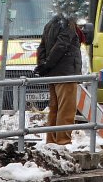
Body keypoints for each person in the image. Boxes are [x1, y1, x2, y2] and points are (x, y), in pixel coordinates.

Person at [33, 12, 83, 145]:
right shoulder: (68, 25)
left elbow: (42, 46)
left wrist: (43, 65)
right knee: (66, 110)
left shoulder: (50, 24)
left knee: (54, 109)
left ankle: (51, 140)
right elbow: (61, 46)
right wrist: (48, 64)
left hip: (53, 75)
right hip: (66, 74)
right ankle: (63, 141)